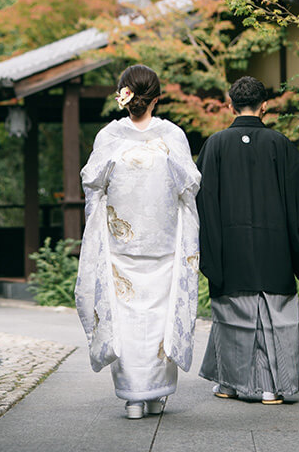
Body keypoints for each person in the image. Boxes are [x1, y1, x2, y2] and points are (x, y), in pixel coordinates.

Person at [74, 64, 202, 420]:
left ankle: (133, 398)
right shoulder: (172, 135)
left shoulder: (109, 137)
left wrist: (97, 227)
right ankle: (156, 394)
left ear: (124, 96)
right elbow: (189, 187)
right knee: (161, 316)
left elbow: (92, 186)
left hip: (121, 246)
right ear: (156, 99)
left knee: (126, 317)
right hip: (163, 242)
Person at [196, 75, 299, 404]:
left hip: (230, 251)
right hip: (275, 252)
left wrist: (206, 245)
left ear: (230, 105)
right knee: (276, 321)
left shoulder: (214, 145)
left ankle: (229, 384)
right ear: (264, 106)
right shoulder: (281, 145)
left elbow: (201, 201)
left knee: (231, 318)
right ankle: (272, 388)